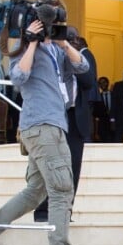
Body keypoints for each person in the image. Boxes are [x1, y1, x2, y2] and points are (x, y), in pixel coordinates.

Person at [0, 0, 90, 245]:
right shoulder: (29, 50)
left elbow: (83, 67)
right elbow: (18, 77)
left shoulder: (57, 51)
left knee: (34, 192)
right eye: (50, 22)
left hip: (52, 126)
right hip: (42, 127)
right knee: (62, 190)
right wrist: (32, 42)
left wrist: (63, 43)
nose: (53, 27)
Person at [34, 27, 98, 222]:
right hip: (52, 118)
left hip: (75, 120)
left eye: (73, 39)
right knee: (50, 166)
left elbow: (89, 81)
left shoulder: (76, 58)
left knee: (73, 168)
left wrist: (71, 55)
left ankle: (65, 211)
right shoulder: (50, 57)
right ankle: (44, 211)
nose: (71, 42)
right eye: (66, 38)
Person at [94, 76, 113, 142]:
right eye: (100, 83)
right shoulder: (97, 98)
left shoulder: (114, 95)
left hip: (113, 125)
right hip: (103, 127)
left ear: (108, 83)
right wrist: (96, 132)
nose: (103, 85)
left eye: (104, 82)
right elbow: (96, 116)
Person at [111, 70, 123, 142]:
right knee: (118, 140)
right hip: (120, 118)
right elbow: (113, 103)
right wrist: (112, 119)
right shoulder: (118, 85)